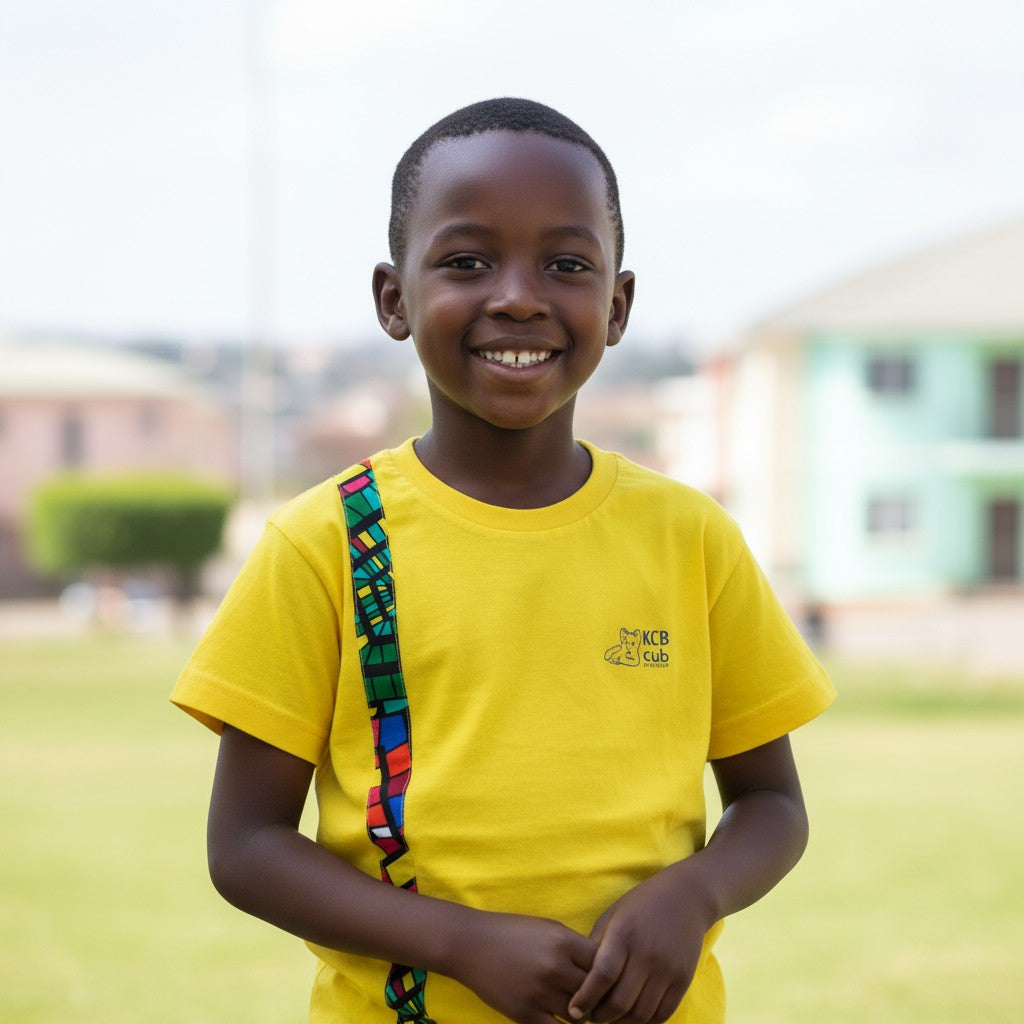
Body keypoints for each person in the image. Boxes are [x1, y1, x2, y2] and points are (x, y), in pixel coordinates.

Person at [171, 97, 835, 1024]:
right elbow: (244, 846)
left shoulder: (691, 537)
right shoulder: (325, 542)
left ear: (619, 303)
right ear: (393, 299)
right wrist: (459, 943)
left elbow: (773, 806)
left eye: (566, 264)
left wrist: (698, 892)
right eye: (467, 261)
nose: (519, 295)